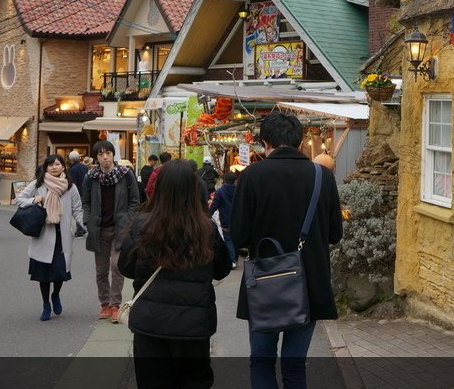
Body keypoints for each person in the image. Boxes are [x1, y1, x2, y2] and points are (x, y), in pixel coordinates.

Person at [231, 113, 342, 389]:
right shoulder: (322, 177)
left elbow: (240, 235)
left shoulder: (252, 176)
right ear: (301, 142)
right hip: (309, 283)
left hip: (265, 285)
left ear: (265, 143)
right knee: (295, 367)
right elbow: (335, 234)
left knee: (262, 362)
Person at [119, 160, 232, 388]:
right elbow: (222, 269)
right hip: (193, 325)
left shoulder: (141, 224)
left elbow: (126, 267)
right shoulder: (206, 228)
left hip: (150, 323)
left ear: (159, 189)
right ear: (193, 190)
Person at [16, 154, 84, 320]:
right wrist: (34, 199)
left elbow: (77, 210)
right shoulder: (38, 184)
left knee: (60, 272)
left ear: (63, 167)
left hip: (62, 236)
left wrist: (88, 227)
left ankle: (56, 295)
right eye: (51, 164)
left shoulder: (70, 187)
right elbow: (19, 199)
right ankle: (46, 303)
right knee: (43, 274)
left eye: (58, 164)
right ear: (46, 167)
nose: (54, 167)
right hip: (43, 235)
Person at [82, 139, 141, 323]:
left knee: (116, 267)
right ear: (96, 157)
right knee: (101, 271)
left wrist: (129, 221)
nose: (105, 157)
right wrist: (87, 219)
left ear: (114, 155)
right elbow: (86, 202)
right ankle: (105, 304)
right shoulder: (90, 177)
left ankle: (115, 305)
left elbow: (134, 201)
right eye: (101, 154)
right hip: (99, 230)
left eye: (108, 153)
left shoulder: (125, 174)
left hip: (120, 229)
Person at [209, 172, 238, 267]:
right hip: (237, 219)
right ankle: (235, 257)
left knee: (228, 239)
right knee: (235, 239)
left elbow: (214, 206)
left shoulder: (220, 191)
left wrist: (207, 215)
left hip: (225, 218)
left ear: (225, 179)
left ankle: (233, 260)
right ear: (235, 180)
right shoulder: (239, 190)